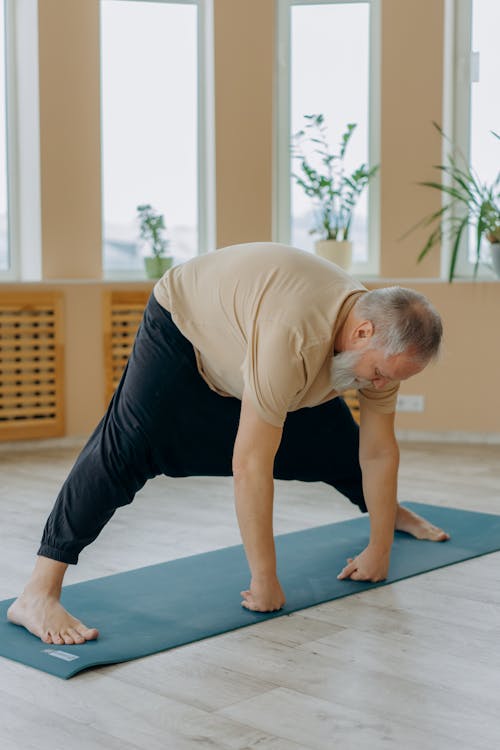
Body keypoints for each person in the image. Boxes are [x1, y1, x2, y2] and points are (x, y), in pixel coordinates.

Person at [7, 242, 448, 646]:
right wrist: (265, 578)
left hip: (254, 341)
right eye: (383, 373)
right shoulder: (295, 336)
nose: (383, 384)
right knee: (128, 448)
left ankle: (388, 516)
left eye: (395, 378)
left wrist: (379, 548)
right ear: (363, 332)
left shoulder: (379, 347)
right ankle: (37, 594)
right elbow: (251, 464)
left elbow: (377, 450)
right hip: (185, 329)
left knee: (337, 443)